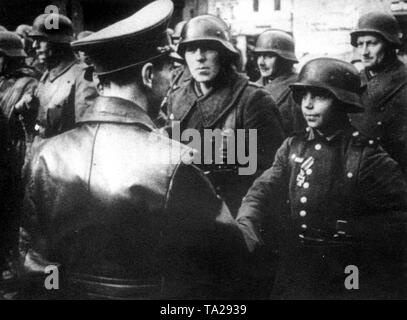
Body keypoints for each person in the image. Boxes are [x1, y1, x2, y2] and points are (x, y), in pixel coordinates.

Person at [21, 0, 247, 300]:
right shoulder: (175, 161)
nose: (172, 82)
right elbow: (228, 257)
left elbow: (37, 264)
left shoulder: (44, 155)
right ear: (149, 74)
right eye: (169, 70)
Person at [237, 57, 407, 299]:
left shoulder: (366, 156)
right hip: (298, 265)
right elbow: (262, 190)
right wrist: (246, 225)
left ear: (342, 102)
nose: (308, 105)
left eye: (319, 96)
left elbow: (398, 220)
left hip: (348, 270)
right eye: (304, 96)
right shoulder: (293, 147)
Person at [166, 15, 285, 216]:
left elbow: (272, 175)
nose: (199, 57)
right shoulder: (176, 98)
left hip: (234, 216)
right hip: (185, 216)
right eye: (191, 49)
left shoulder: (253, 100)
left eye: (208, 48)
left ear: (224, 53)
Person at [349, 11, 407, 174]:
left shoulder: (403, 81)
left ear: (390, 44)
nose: (364, 52)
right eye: (360, 44)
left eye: (372, 43)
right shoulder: (353, 81)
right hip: (357, 175)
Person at [27, 13, 97, 139]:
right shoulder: (47, 76)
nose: (34, 46)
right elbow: (40, 124)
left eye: (41, 40)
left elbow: (86, 133)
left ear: (59, 43)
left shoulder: (82, 77)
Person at [254, 29, 306, 135]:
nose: (261, 62)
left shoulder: (297, 88)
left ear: (285, 59)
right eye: (259, 56)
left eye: (269, 56)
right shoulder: (253, 88)